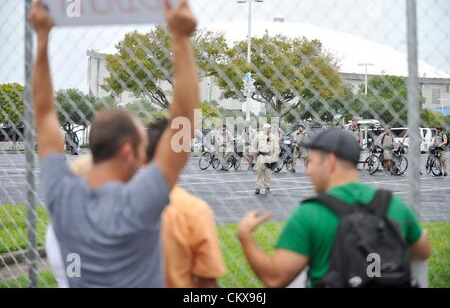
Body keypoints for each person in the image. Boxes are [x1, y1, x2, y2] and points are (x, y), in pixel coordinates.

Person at [31, 0, 199, 287]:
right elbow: (184, 122)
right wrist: (181, 38)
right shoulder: (139, 202)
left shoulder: (61, 194)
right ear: (127, 151)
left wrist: (43, 39)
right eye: (143, 145)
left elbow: (44, 114)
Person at [237, 129, 431, 288]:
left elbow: (275, 278)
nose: (307, 171)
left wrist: (245, 236)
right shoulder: (393, 205)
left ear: (329, 162)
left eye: (311, 162)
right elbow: (422, 252)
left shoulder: (310, 214)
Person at [56, 119, 226, 288]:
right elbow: (208, 282)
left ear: (143, 157)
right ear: (183, 156)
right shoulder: (194, 211)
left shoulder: (105, 202)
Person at [251, 124, 278, 195]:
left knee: (268, 173)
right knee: (259, 172)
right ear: (264, 129)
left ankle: (267, 188)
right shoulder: (258, 136)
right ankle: (258, 188)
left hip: (269, 156)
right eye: (268, 128)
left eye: (270, 128)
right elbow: (253, 144)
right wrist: (255, 150)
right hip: (261, 156)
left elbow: (276, 147)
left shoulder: (273, 137)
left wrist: (274, 156)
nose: (269, 129)